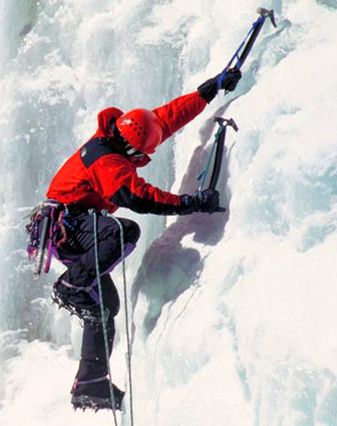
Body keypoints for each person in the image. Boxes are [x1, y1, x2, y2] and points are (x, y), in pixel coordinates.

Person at [41, 69, 242, 410]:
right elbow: (139, 197)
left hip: (68, 229)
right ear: (131, 151)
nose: (141, 162)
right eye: (140, 158)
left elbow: (164, 119)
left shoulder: (121, 134)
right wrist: (190, 203)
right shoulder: (107, 161)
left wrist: (208, 91)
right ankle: (73, 284)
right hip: (68, 228)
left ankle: (90, 383)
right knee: (124, 231)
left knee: (104, 306)